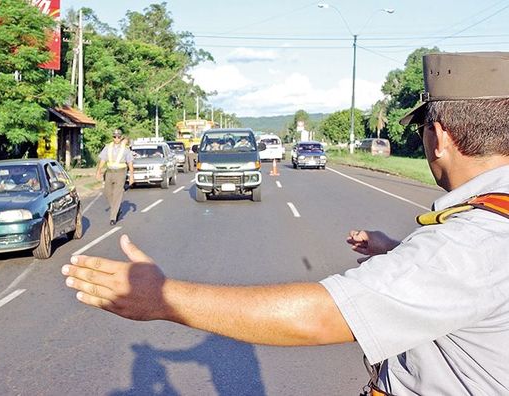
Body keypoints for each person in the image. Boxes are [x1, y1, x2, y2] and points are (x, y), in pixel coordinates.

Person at [63, 52, 509, 394]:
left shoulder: (469, 242)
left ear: (442, 136)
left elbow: (322, 316)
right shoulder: (485, 226)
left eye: (422, 130)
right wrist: (398, 250)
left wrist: (163, 298)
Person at [96, 129, 135, 225]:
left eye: (118, 137)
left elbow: (130, 163)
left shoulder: (126, 149)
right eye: (114, 137)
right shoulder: (107, 147)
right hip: (109, 172)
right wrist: (98, 171)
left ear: (121, 137)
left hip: (121, 173)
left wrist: (131, 176)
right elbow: (103, 160)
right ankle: (116, 208)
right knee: (107, 192)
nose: (116, 139)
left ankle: (113, 217)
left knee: (117, 193)